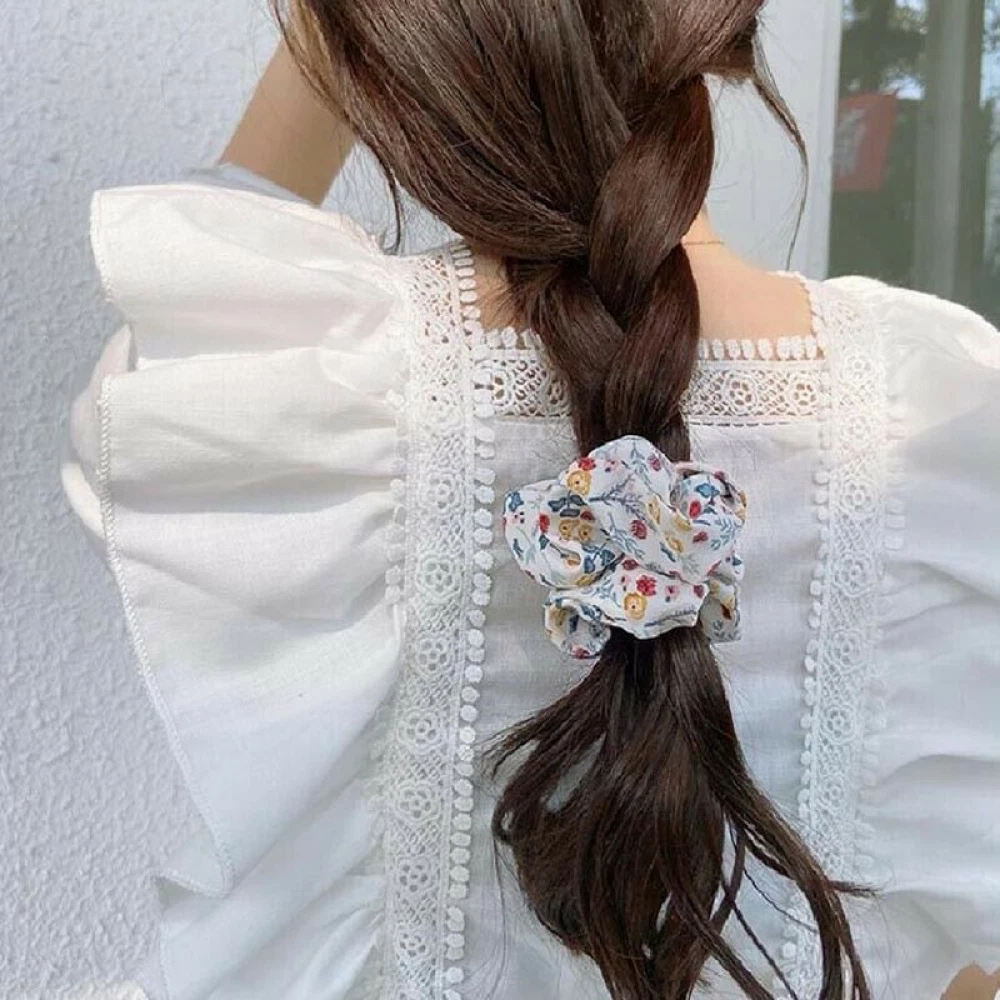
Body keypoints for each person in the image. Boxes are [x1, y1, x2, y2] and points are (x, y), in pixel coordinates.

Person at [59, 3, 1000, 999]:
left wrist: (322, 44)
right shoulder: (943, 409)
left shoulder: (305, 382)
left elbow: (180, 310)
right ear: (727, 30)